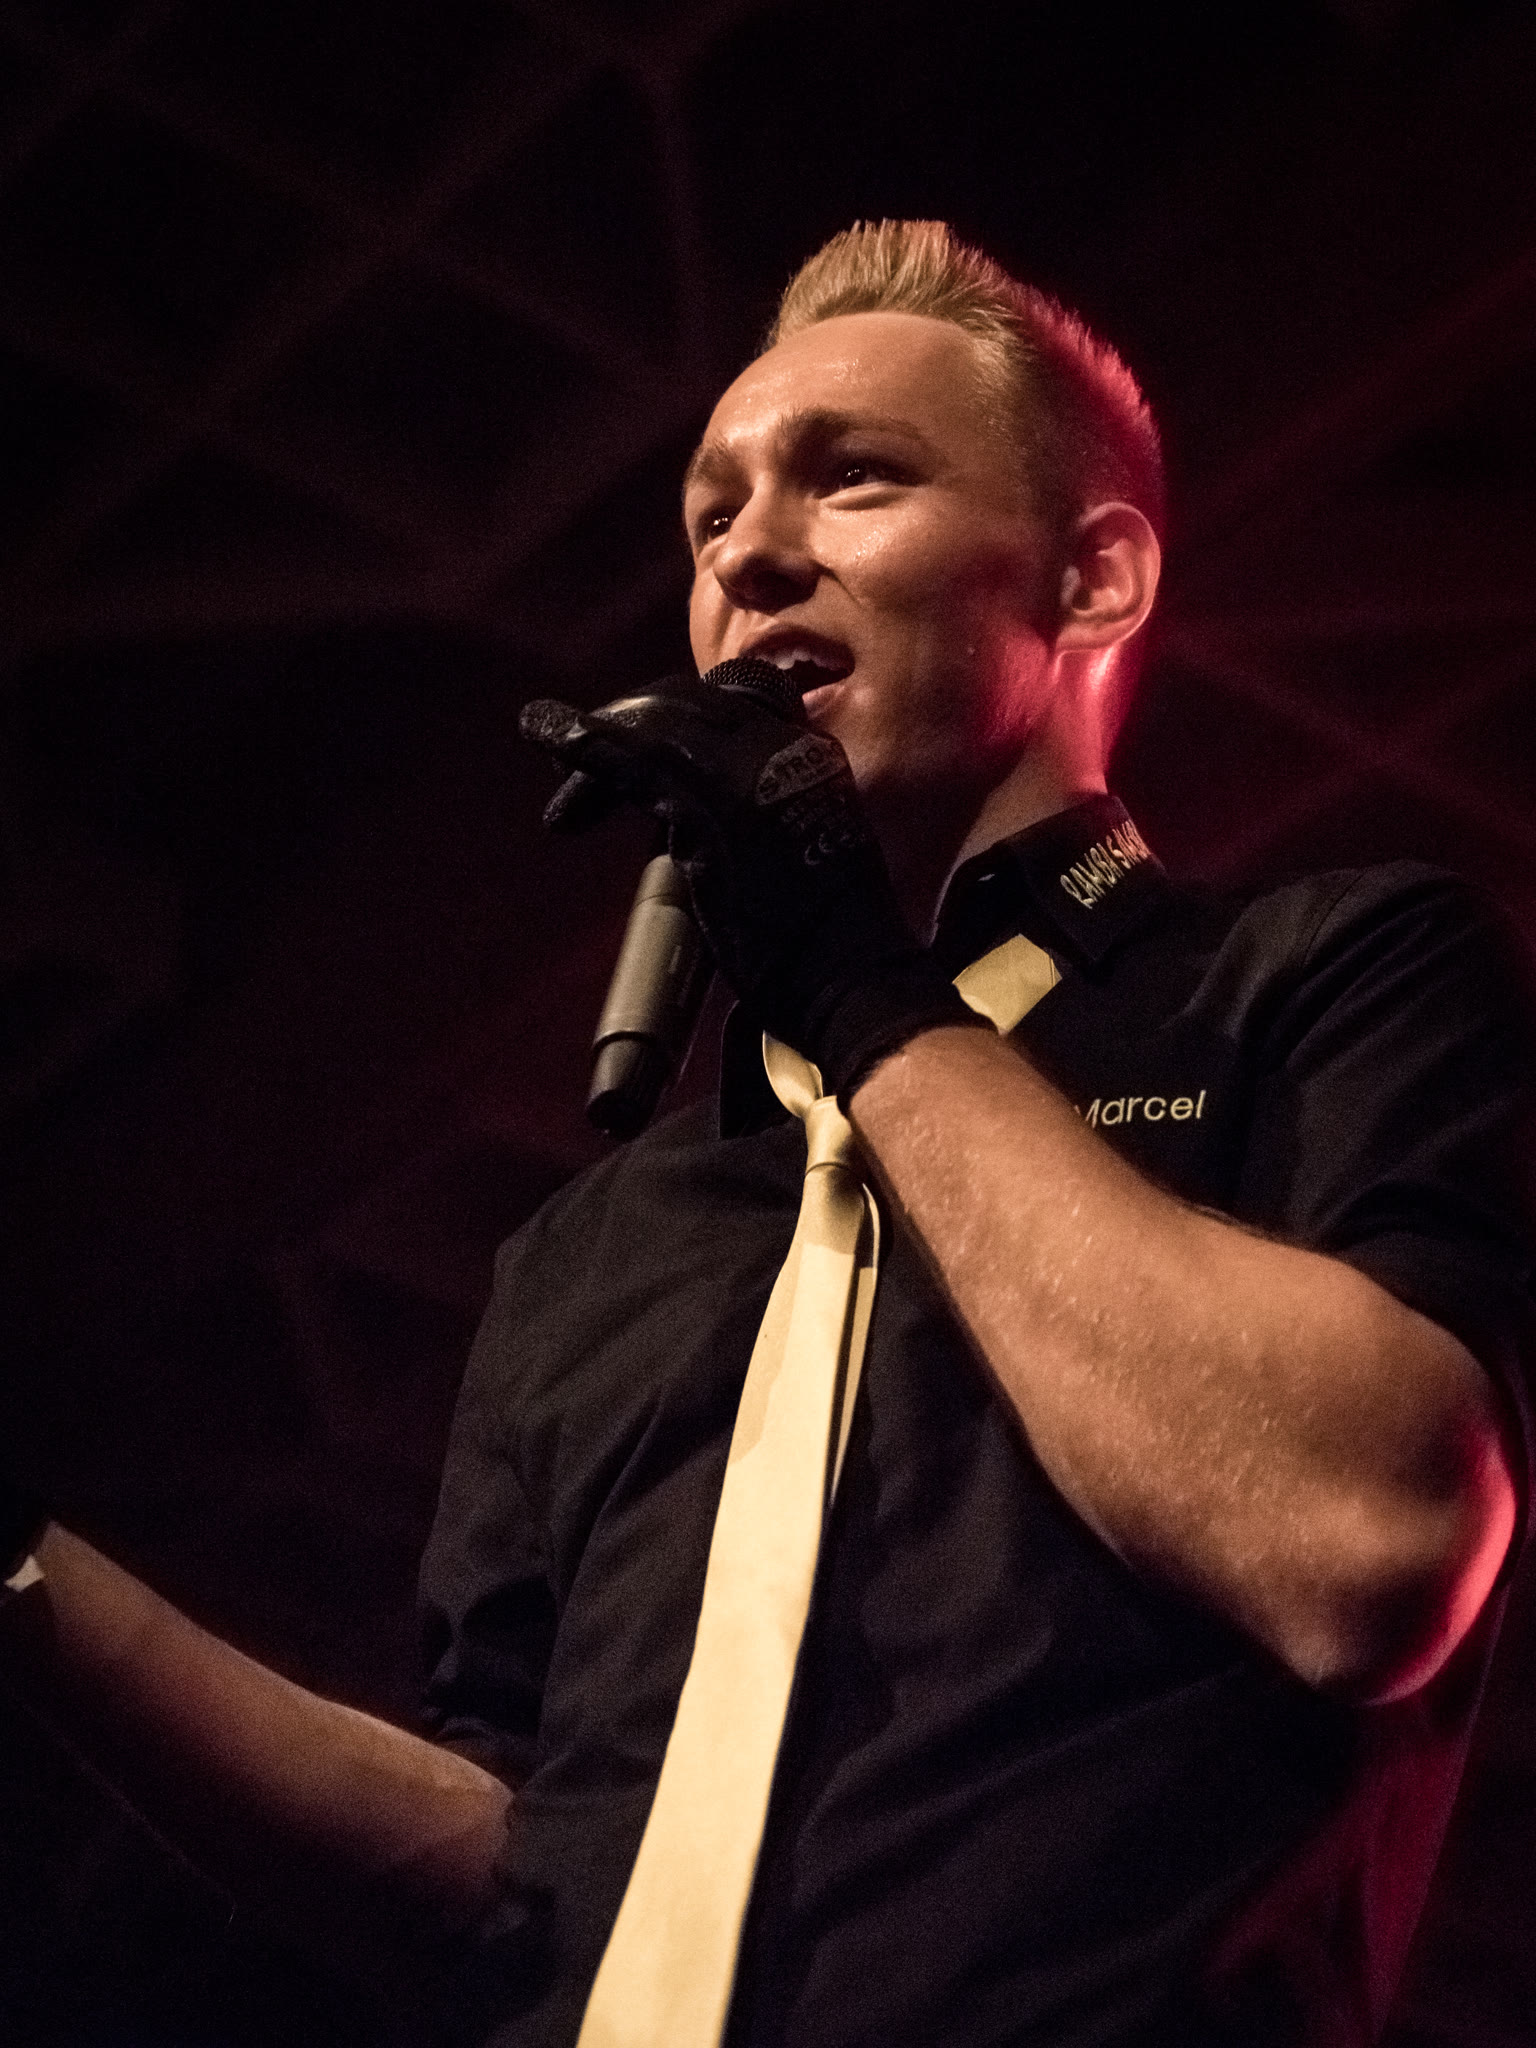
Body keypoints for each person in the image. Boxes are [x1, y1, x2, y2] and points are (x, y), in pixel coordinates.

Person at [2, 220, 1531, 2046]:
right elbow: (518, 1880)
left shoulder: (1327, 974)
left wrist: (861, 994)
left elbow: (1363, 1548)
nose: (748, 551)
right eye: (712, 513)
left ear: (1094, 581)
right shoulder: (595, 1250)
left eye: (854, 477)